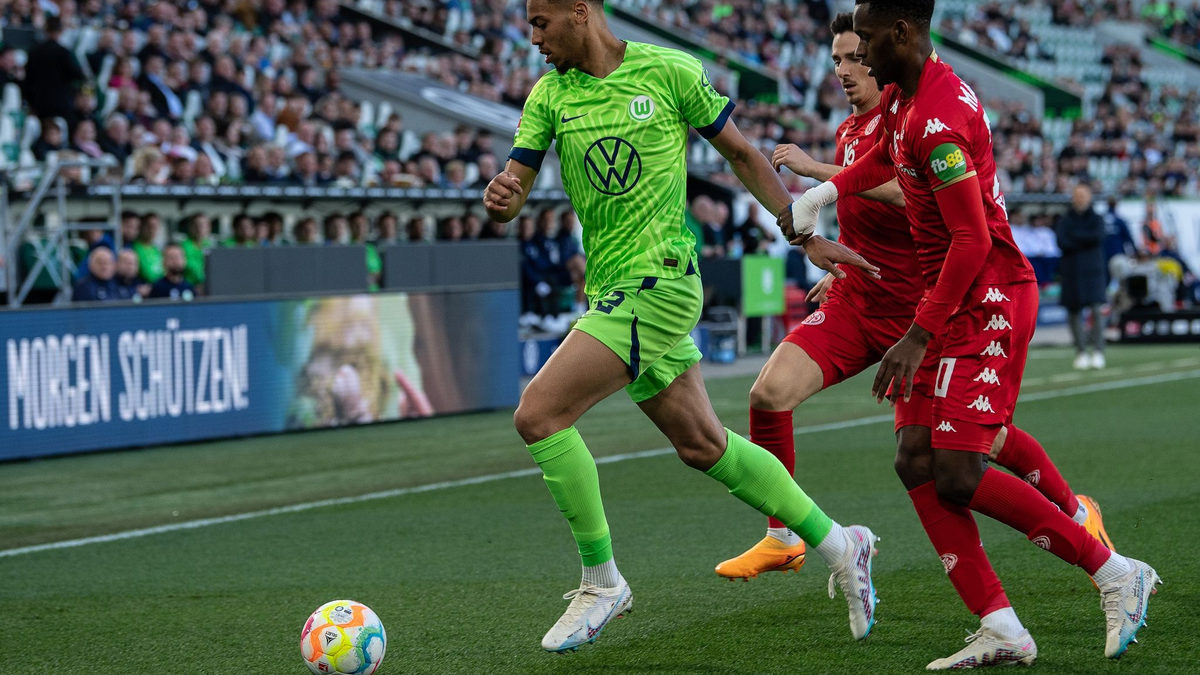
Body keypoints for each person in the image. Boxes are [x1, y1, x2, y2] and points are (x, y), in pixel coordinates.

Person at [484, 0, 882, 654]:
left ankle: (601, 580)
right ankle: (844, 544)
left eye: (539, 22)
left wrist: (802, 232)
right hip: (610, 290)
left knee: (540, 414)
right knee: (702, 445)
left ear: (579, 13)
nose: (532, 38)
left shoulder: (668, 71)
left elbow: (743, 154)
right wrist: (501, 197)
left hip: (662, 282)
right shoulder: (549, 96)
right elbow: (516, 186)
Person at [788, 1, 1158, 667]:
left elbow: (971, 238)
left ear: (901, 33)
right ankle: (1001, 624)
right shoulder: (909, 97)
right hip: (947, 300)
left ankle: (1114, 571)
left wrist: (916, 335)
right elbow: (880, 158)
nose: (862, 57)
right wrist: (824, 192)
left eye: (867, 42)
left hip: (985, 301)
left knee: (958, 469)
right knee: (914, 458)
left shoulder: (938, 120)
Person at [1056, 183, 1108, 370]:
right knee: (1073, 312)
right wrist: (1083, 239)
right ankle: (1081, 351)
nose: (1080, 198)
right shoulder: (1065, 219)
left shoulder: (1097, 218)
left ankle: (1099, 350)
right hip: (1071, 271)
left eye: (1083, 195)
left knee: (1096, 309)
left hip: (1092, 271)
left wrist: (1075, 238)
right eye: (1077, 195)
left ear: (1090, 197)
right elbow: (1062, 241)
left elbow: (1097, 237)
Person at [180, 213, 213, 290]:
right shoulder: (183, 246)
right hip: (189, 288)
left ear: (209, 227)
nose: (199, 228)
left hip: (209, 287)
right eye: (196, 225)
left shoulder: (213, 246)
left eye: (202, 225)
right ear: (190, 227)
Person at [132, 213, 164, 283]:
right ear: (141, 227)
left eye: (155, 227)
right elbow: (146, 273)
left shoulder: (156, 249)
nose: (152, 230)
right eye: (149, 226)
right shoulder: (134, 248)